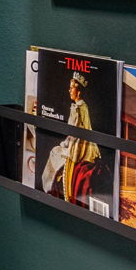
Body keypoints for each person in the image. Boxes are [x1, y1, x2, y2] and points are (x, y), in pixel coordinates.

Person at [39, 71, 102, 206]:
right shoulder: (74, 107)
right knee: (55, 151)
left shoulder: (82, 108)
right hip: (72, 141)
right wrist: (66, 142)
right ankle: (49, 187)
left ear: (78, 92)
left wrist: (71, 146)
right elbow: (71, 129)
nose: (69, 90)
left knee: (55, 154)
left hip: (79, 145)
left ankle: (51, 188)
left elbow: (84, 129)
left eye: (72, 87)